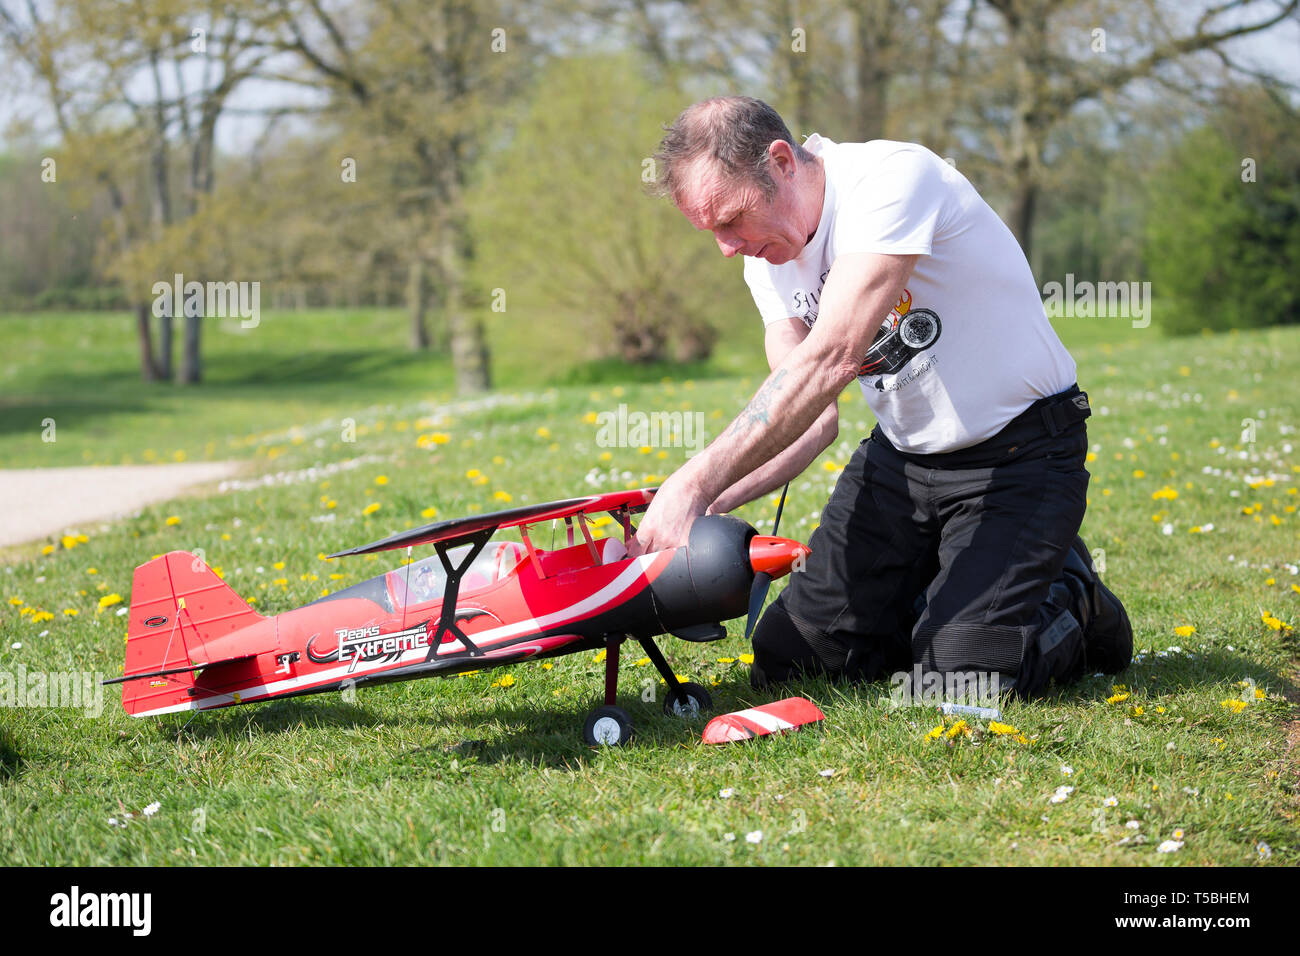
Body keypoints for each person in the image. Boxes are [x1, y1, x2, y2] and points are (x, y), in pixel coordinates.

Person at [629, 96, 1131, 698]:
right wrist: (700, 509)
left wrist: (693, 483)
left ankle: (1075, 597)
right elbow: (810, 418)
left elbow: (832, 357)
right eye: (710, 231)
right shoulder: (767, 259)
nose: (726, 247)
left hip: (1021, 456)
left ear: (782, 162)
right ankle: (949, 601)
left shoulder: (892, 179)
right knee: (794, 662)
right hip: (903, 462)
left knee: (960, 683)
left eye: (731, 219)